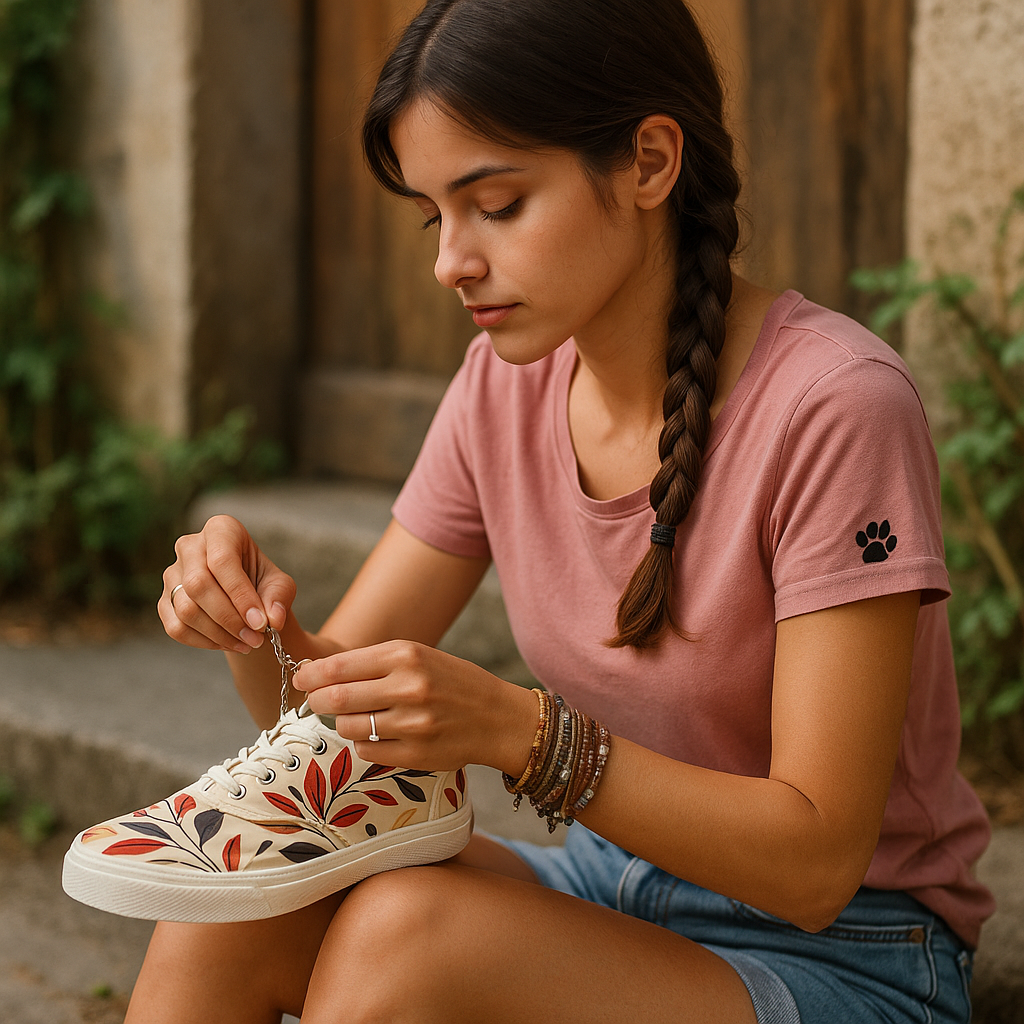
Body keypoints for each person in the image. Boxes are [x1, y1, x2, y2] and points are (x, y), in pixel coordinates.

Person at [122, 1, 994, 1021]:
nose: (451, 261)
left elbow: (815, 865)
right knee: (227, 907)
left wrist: (522, 733)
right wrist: (252, 624)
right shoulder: (501, 388)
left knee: (407, 937)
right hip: (606, 886)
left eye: (496, 204)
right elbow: (320, 722)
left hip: (847, 952)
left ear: (649, 162)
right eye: (434, 216)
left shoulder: (834, 407)